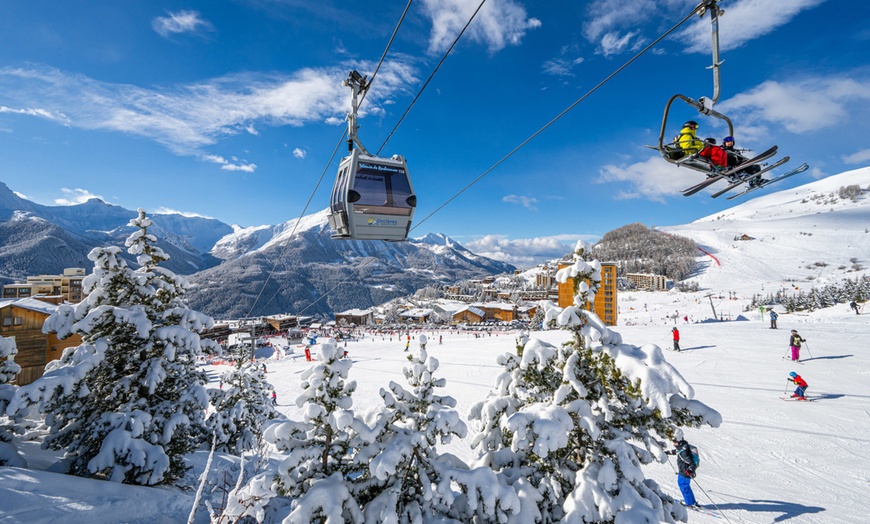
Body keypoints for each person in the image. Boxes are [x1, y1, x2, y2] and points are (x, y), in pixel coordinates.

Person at [666, 434, 700, 508]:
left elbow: (691, 463)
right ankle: (691, 502)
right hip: (684, 471)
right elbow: (677, 451)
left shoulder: (683, 452)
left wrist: (690, 470)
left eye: (675, 442)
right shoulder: (684, 447)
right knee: (686, 486)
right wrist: (668, 452)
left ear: (679, 441)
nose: (674, 443)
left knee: (684, 486)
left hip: (685, 472)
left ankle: (689, 503)